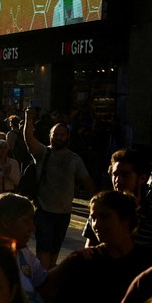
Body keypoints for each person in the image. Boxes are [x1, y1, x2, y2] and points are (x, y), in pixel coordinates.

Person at [23, 108, 95, 269]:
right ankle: (42, 282)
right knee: (44, 251)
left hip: (63, 214)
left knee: (54, 252)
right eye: (55, 134)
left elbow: (87, 181)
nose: (59, 137)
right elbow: (29, 139)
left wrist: (95, 200)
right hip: (44, 212)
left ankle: (47, 280)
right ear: (50, 136)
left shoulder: (74, 159)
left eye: (62, 134)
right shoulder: (43, 153)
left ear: (68, 137)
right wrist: (28, 119)